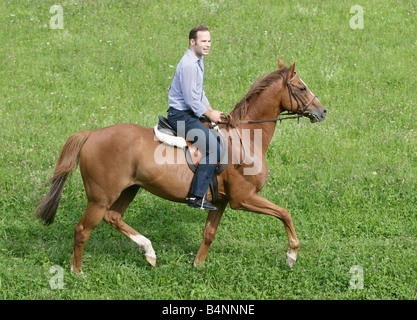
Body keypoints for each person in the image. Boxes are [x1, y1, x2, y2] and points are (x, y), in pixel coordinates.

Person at [167, 25, 223, 210]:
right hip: (182, 116)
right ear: (193, 42)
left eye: (209, 41)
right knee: (214, 149)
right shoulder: (189, 65)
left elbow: (199, 92)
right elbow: (191, 100)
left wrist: (211, 110)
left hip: (191, 112)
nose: (207, 45)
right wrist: (209, 114)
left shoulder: (198, 60)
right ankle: (196, 197)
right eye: (203, 41)